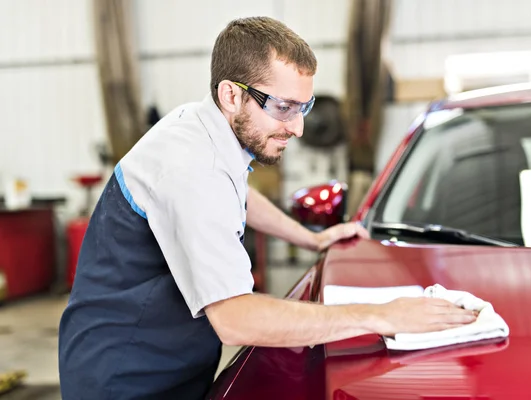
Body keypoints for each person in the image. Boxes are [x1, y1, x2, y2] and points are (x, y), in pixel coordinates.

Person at [58, 16, 476, 399]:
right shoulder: (191, 168)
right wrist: (383, 317)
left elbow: (237, 193)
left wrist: (311, 238)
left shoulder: (207, 129)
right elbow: (237, 319)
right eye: (283, 107)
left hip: (165, 357)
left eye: (304, 107)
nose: (298, 127)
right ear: (230, 94)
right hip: (127, 378)